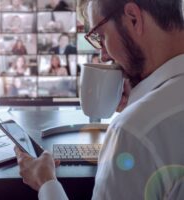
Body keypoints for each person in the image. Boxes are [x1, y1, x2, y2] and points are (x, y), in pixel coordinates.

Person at [15, 0, 184, 199]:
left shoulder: (133, 133)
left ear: (133, 18)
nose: (103, 56)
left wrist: (46, 183)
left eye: (101, 37)